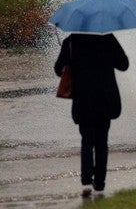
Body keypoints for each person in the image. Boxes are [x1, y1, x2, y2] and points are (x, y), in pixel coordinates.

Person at [54, 33, 129, 197]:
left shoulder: (71, 41)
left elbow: (58, 69)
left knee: (87, 140)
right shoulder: (108, 38)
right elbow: (124, 65)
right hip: (105, 99)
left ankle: (86, 181)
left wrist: (70, 62)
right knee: (102, 141)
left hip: (83, 100)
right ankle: (100, 183)